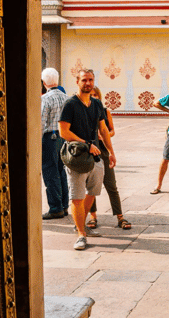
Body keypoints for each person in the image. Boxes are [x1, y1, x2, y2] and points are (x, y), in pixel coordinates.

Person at [58, 69, 116, 251]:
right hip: (77, 156)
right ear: (77, 82)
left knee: (93, 192)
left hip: (96, 156)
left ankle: (80, 224)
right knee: (77, 197)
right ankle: (81, 235)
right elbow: (64, 132)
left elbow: (104, 130)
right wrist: (86, 144)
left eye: (90, 80)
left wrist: (111, 152)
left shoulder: (97, 104)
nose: (88, 83)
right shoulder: (70, 104)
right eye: (84, 80)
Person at [86, 86, 131, 230]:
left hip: (103, 151)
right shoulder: (82, 112)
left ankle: (120, 216)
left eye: (95, 95)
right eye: (90, 95)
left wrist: (105, 135)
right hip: (88, 152)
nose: (93, 97)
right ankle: (93, 216)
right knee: (91, 186)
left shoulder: (104, 112)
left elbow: (111, 131)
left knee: (111, 184)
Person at [41, 68, 69, 219]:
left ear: (44, 82)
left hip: (49, 138)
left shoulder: (45, 99)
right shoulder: (67, 98)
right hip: (63, 137)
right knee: (61, 171)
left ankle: (55, 207)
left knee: (50, 173)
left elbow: (41, 122)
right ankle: (64, 206)